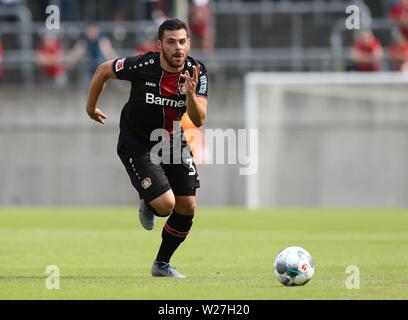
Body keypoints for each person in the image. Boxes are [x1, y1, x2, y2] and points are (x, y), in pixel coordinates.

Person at [85, 19, 208, 278]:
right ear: (160, 45)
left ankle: (161, 265)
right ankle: (148, 200)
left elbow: (198, 119)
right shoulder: (142, 65)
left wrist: (189, 95)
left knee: (187, 206)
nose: (178, 48)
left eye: (183, 42)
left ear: (189, 43)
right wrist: (90, 107)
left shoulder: (197, 70)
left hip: (172, 140)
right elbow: (103, 70)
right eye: (171, 42)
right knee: (165, 205)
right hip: (137, 142)